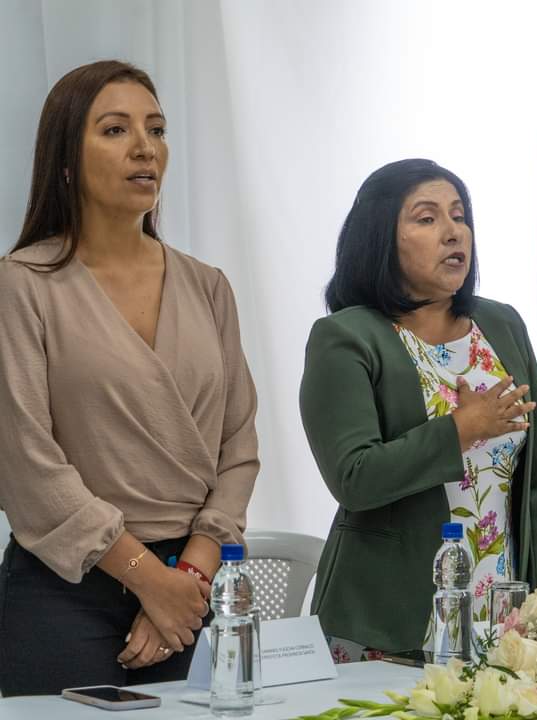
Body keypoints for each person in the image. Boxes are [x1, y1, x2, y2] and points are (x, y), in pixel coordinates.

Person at [0, 61, 259, 696]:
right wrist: (147, 578)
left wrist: (187, 579)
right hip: (65, 588)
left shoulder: (209, 286)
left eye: (157, 129)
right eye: (116, 130)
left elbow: (238, 446)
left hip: (193, 588)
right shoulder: (22, 285)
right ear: (66, 158)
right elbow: (26, 464)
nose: (145, 147)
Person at [300, 159, 537, 660]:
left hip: (503, 611)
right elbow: (354, 477)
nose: (452, 232)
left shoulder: (502, 324)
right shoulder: (345, 337)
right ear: (380, 237)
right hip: (390, 620)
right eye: (427, 218)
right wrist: (460, 429)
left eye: (459, 216)